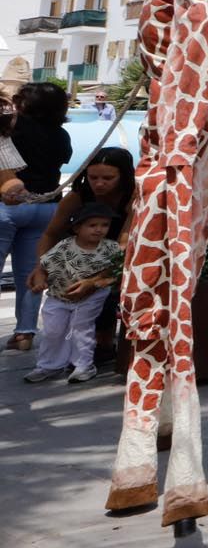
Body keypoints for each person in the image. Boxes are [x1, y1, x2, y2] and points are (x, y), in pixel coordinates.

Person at [1, 82, 73, 352]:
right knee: (30, 274)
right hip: (45, 208)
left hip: (8, 204)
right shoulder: (61, 135)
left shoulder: (12, 128)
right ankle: (25, 333)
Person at [23, 202, 122, 383]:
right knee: (53, 330)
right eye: (92, 225)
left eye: (104, 225)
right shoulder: (64, 247)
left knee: (81, 329)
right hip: (58, 296)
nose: (99, 230)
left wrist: (100, 283)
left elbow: (116, 270)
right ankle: (49, 365)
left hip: (91, 296)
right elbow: (43, 267)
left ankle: (83, 365)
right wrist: (39, 283)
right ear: (77, 227)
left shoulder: (111, 248)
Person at [37, 148, 137, 266]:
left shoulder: (135, 195)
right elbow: (50, 234)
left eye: (108, 178)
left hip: (124, 254)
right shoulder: (78, 195)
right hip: (81, 257)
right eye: (93, 177)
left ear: (124, 177)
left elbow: (124, 243)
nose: (99, 184)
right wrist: (40, 268)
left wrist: (97, 279)